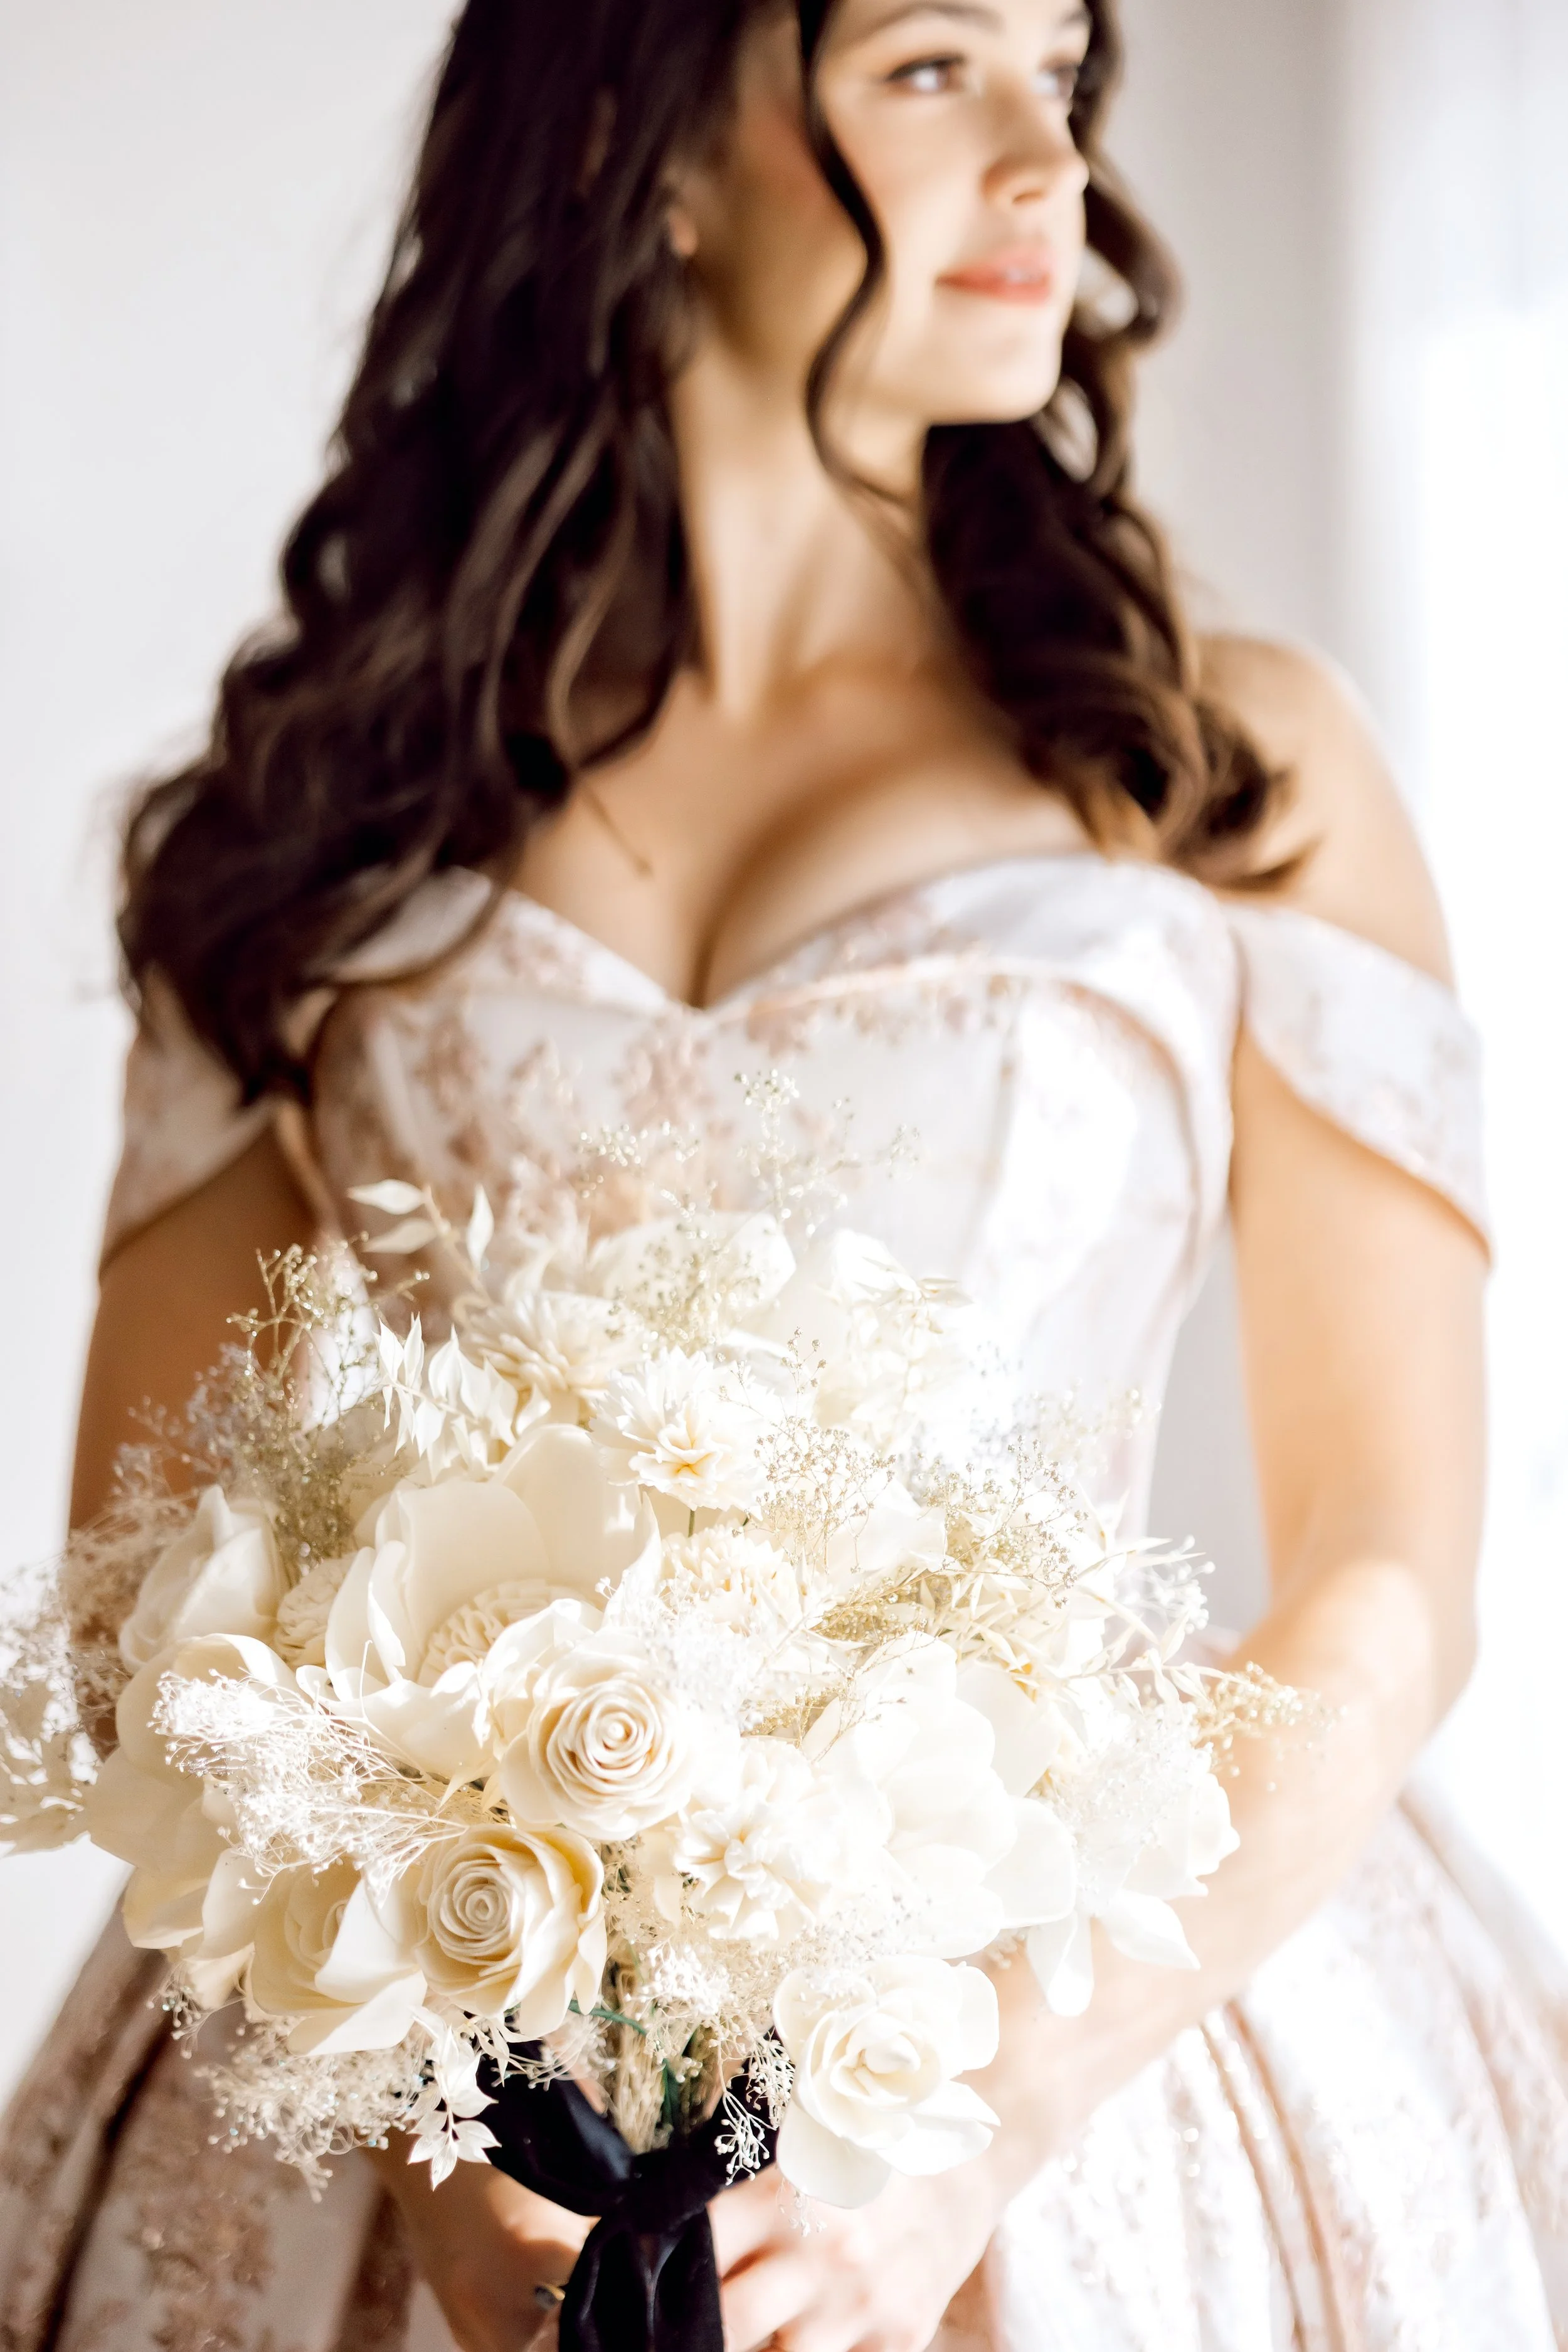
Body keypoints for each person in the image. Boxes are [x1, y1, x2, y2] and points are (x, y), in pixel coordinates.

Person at [3, 0, 1564, 2344]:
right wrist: (449, 2148)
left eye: (1065, 73)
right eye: (935, 68)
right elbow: (156, 1602)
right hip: (435, 2058)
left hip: (1074, 2043)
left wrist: (992, 2110)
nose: (1046, 158)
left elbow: (1383, 1574)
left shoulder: (1224, 764)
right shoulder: (308, 832)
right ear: (652, 143)